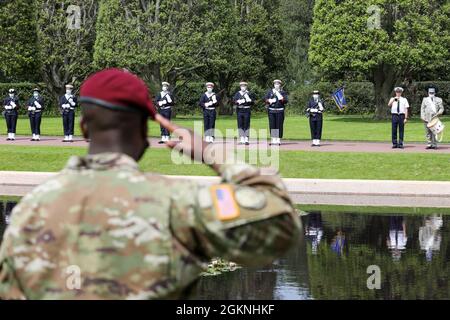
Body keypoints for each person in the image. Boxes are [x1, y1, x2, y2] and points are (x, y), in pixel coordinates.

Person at [0, 68, 300, 300]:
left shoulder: (28, 212)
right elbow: (281, 223)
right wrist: (214, 154)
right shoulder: (177, 201)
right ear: (145, 128)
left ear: (83, 127)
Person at [264, 80, 288, 146]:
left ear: (280, 85)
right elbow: (265, 99)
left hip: (280, 110)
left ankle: (278, 139)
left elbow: (285, 101)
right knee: (272, 125)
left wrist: (279, 96)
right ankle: (273, 139)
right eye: (275, 84)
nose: (276, 85)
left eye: (278, 84)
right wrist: (269, 100)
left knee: (279, 125)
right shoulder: (270, 92)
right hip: (271, 110)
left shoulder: (283, 92)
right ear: (274, 85)